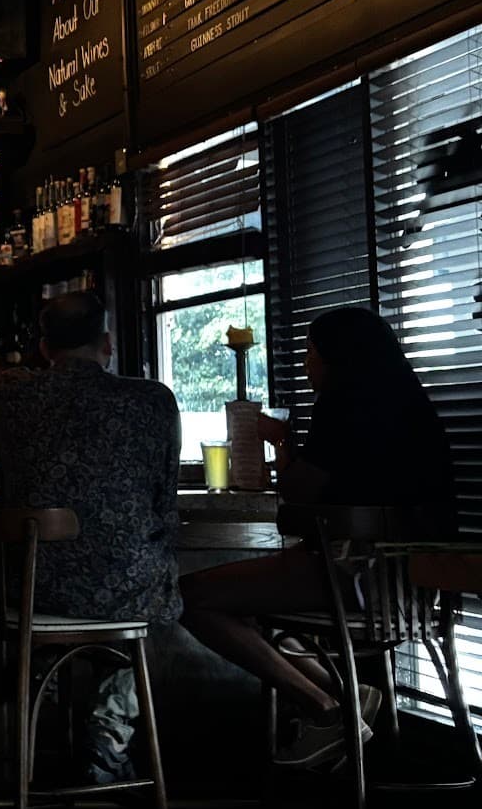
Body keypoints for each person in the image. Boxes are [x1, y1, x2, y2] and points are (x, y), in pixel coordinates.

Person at [179, 305, 456, 768]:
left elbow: (299, 492)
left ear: (336, 356)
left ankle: (326, 706)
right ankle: (349, 695)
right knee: (251, 607)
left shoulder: (342, 401)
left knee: (189, 596)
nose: (306, 362)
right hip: (417, 588)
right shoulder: (412, 402)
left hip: (356, 574)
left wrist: (281, 441)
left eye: (311, 351)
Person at [0, 293, 181, 785]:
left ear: (44, 345)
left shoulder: (10, 391)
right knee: (153, 595)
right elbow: (165, 502)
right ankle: (110, 726)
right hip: (125, 587)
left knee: (63, 599)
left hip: (34, 588)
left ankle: (41, 698)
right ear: (108, 343)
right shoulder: (153, 399)